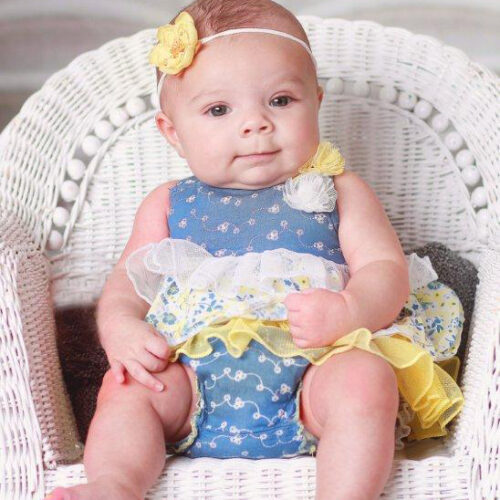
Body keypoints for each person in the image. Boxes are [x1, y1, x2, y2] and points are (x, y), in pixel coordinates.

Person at [45, 1, 464, 499]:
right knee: (128, 389)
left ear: (315, 102)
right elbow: (126, 287)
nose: (256, 124)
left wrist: (351, 309)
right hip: (190, 383)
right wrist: (120, 328)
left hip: (314, 377)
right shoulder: (168, 203)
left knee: (365, 380)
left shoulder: (340, 191)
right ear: (173, 132)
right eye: (219, 110)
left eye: (281, 100)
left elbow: (384, 269)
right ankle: (114, 484)